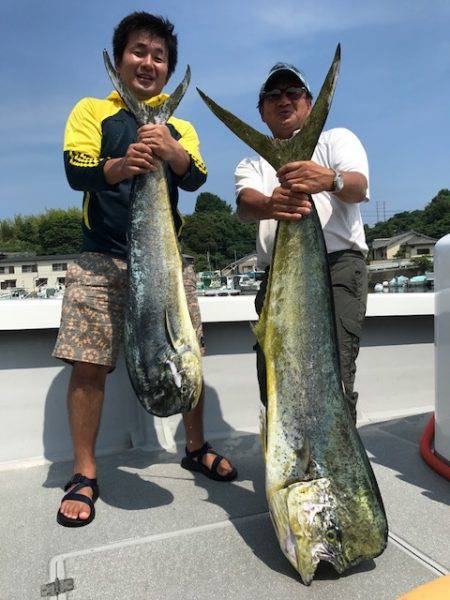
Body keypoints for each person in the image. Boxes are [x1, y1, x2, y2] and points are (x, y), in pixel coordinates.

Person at [54, 12, 236, 528]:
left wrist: (170, 149)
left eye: (159, 56)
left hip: (165, 261)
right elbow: (75, 172)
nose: (148, 63)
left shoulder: (180, 125)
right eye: (138, 51)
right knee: (88, 363)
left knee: (187, 352)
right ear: (119, 60)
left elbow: (196, 178)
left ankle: (194, 446)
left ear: (168, 67)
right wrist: (118, 165)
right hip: (100, 257)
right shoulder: (92, 110)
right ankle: (84, 473)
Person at [235, 62, 369, 424]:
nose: (284, 100)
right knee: (275, 379)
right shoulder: (251, 161)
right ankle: (291, 470)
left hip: (337, 268)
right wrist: (270, 204)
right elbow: (246, 204)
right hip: (278, 273)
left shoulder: (336, 140)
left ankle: (332, 474)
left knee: (333, 378)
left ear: (310, 104)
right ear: (261, 112)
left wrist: (331, 179)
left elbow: (358, 188)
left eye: (294, 93)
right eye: (273, 95)